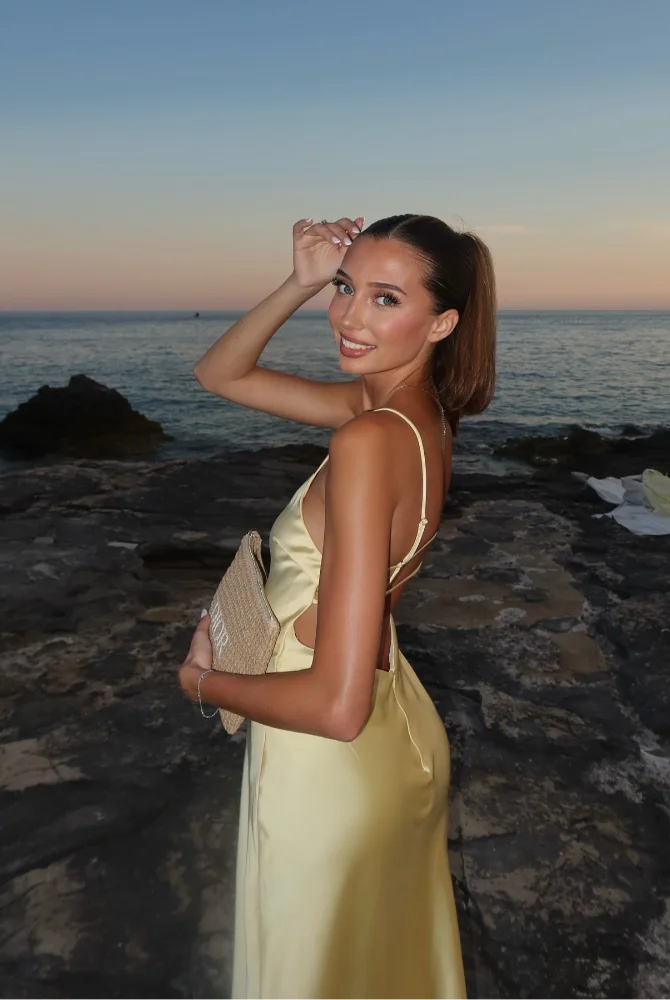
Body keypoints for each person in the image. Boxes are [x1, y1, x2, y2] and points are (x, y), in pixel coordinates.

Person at [177, 214, 497, 999]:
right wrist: (301, 280)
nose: (348, 317)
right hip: (388, 729)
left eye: (385, 298)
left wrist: (204, 684)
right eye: (346, 288)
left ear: (442, 323)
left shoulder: (369, 438)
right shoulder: (409, 416)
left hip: (324, 759)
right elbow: (220, 374)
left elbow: (334, 705)